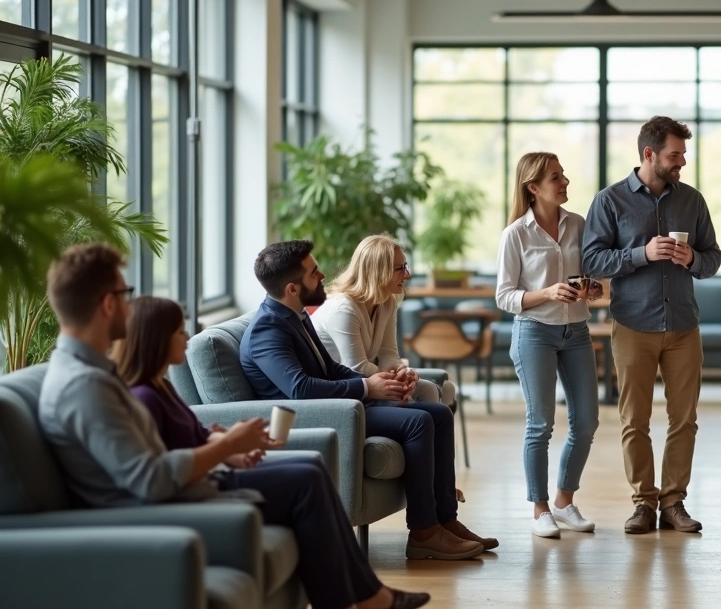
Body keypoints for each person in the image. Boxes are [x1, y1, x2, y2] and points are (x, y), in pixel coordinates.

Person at [37, 243, 428, 609]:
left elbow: (153, 446)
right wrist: (224, 450)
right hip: (156, 508)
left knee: (309, 466)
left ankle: (360, 595)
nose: (130, 304)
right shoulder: (86, 386)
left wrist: (222, 446)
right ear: (108, 305)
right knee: (305, 477)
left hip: (180, 486)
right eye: (126, 294)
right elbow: (149, 480)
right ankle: (359, 597)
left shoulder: (94, 373)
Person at [239, 240, 496, 560]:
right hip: (317, 416)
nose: (322, 276)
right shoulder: (268, 329)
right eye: (313, 273)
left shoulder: (296, 316)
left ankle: (446, 520)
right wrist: (366, 388)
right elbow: (300, 389)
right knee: (419, 420)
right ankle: (423, 532)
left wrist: (373, 382)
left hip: (337, 406)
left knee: (439, 414)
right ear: (292, 288)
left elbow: (330, 368)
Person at [582, 115, 721, 535]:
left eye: (682, 154)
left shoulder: (692, 201)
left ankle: (674, 502)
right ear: (649, 154)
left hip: (683, 325)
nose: (682, 161)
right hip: (632, 324)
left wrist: (693, 260)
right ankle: (643, 502)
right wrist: (641, 254)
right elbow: (591, 260)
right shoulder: (610, 201)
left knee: (684, 419)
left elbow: (713, 258)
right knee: (635, 419)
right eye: (674, 154)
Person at [496, 152, 603, 539]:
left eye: (563, 174)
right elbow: (505, 296)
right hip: (534, 332)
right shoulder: (516, 234)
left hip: (576, 331)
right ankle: (540, 508)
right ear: (533, 187)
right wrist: (546, 293)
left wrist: (591, 288)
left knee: (587, 421)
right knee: (540, 423)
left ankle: (563, 500)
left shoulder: (578, 224)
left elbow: (592, 276)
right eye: (556, 177)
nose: (565, 182)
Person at [310, 234, 451, 406]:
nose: (407, 275)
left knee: (428, 389)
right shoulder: (343, 308)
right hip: (344, 389)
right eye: (400, 268)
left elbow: (388, 353)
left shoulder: (387, 301)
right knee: (415, 403)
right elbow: (356, 368)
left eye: (405, 266)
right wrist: (399, 381)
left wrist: (402, 371)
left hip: (369, 380)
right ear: (378, 271)